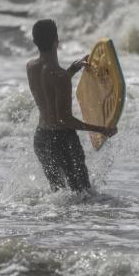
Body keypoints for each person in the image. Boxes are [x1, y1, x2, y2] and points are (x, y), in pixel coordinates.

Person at [26, 19, 117, 192]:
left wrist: (72, 70)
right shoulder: (59, 76)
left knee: (58, 195)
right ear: (57, 40)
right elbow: (64, 120)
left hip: (42, 139)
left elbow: (49, 89)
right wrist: (101, 129)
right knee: (83, 195)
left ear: (34, 42)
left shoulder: (31, 67)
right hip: (62, 141)